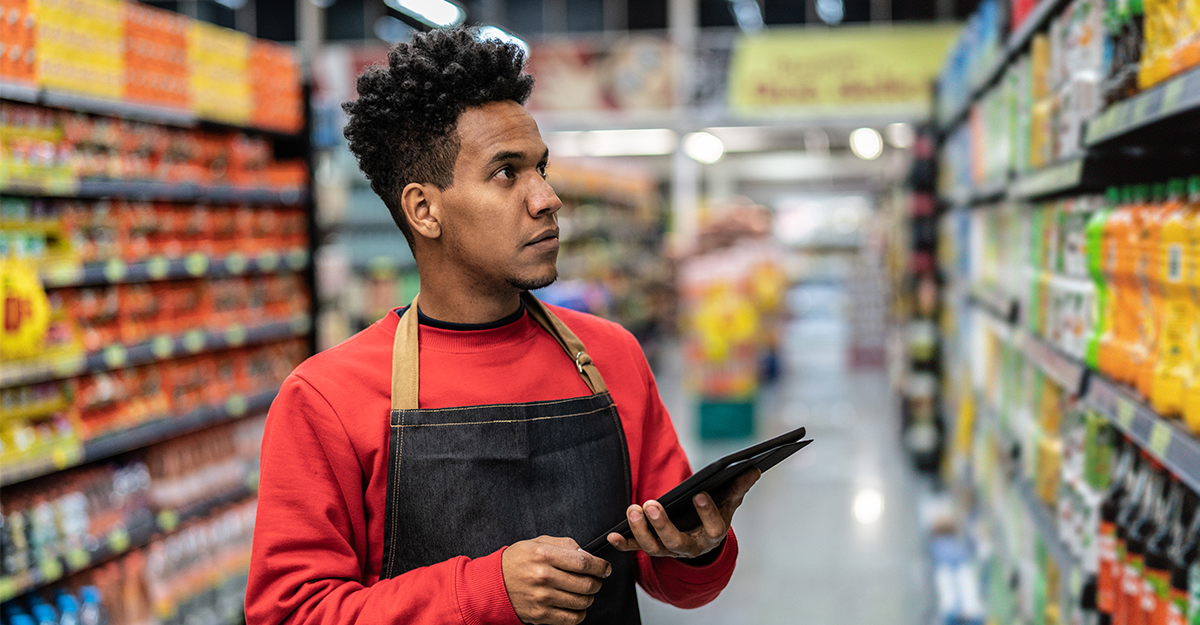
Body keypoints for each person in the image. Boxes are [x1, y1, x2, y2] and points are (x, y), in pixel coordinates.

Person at [244, 26, 759, 625]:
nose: (547, 198)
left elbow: (675, 581)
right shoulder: (327, 398)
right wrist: (484, 590)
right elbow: (290, 614)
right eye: (506, 173)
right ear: (423, 209)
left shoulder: (611, 357)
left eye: (541, 167)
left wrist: (699, 550)